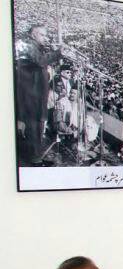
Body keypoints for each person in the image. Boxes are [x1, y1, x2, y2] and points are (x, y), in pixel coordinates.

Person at [14, 25, 61, 165]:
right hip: (30, 95)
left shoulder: (36, 47)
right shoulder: (27, 45)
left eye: (46, 35)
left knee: (39, 126)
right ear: (33, 35)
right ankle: (34, 160)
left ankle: (37, 155)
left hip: (37, 94)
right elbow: (40, 61)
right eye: (42, 35)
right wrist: (58, 52)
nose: (45, 38)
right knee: (33, 127)